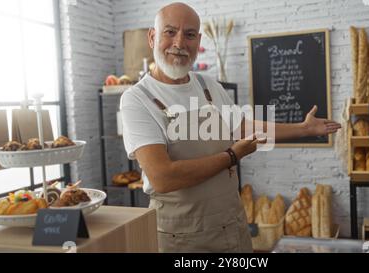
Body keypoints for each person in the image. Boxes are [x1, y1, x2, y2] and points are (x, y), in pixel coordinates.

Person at [120, 2, 341, 253]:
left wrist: (304, 129)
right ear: (152, 37)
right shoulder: (137, 98)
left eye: (190, 34)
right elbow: (163, 177)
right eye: (170, 32)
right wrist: (232, 156)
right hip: (180, 235)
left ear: (198, 40)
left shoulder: (207, 85)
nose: (180, 43)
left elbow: (244, 127)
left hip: (231, 226)